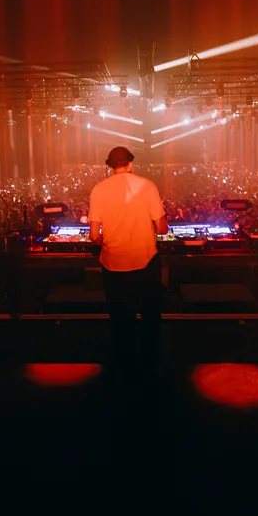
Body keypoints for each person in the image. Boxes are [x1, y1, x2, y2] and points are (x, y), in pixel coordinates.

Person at [88, 146, 168, 373]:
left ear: (110, 167)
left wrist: (106, 239)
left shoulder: (98, 190)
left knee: (120, 319)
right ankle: (152, 364)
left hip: (113, 264)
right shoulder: (147, 186)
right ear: (131, 164)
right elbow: (162, 228)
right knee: (151, 315)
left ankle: (123, 366)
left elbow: (94, 236)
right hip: (145, 262)